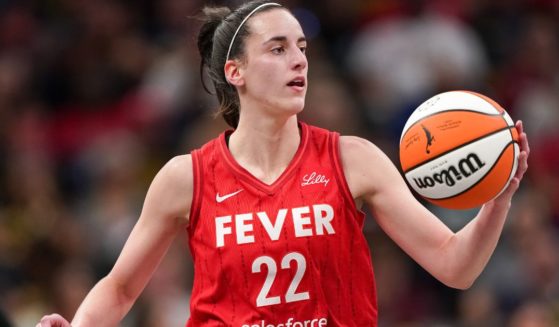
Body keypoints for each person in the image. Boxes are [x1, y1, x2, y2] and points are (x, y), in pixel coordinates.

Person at [37, 1, 530, 326]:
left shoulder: (352, 158)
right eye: (278, 48)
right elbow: (120, 288)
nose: (299, 59)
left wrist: (498, 197)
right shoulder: (185, 177)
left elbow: (455, 266)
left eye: (302, 47)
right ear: (237, 72)